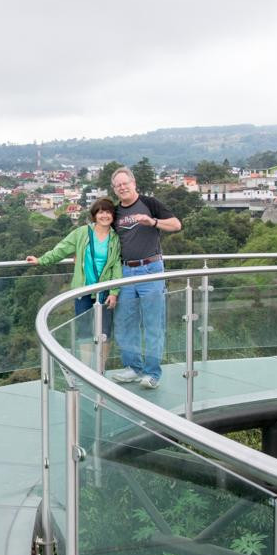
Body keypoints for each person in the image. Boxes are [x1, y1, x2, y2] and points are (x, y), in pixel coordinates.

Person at [108, 167, 182, 389]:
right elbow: (101, 236)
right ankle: (133, 367)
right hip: (125, 271)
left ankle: (152, 374)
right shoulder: (115, 213)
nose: (122, 187)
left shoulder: (150, 203)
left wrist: (154, 222)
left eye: (125, 183)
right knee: (125, 323)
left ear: (134, 183)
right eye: (118, 185)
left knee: (152, 324)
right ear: (114, 189)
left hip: (151, 269)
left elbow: (176, 225)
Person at [26, 197, 122, 327]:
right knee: (84, 333)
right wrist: (41, 260)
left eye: (108, 212)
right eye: (100, 212)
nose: (104, 216)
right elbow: (62, 249)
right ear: (94, 215)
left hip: (104, 291)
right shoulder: (82, 233)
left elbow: (116, 266)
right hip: (83, 289)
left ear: (113, 215)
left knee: (104, 332)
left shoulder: (115, 238)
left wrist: (114, 292)